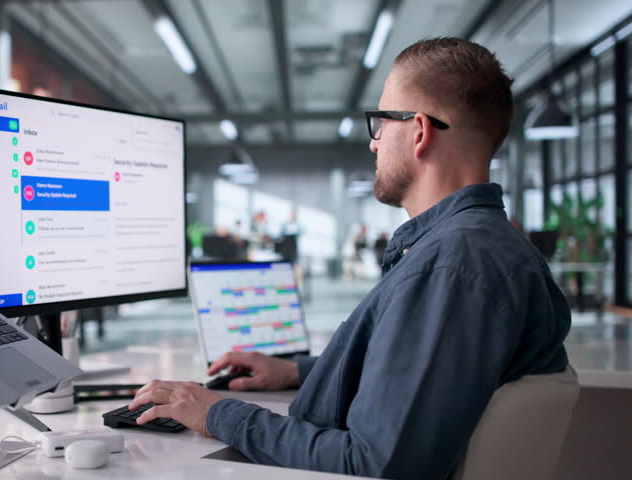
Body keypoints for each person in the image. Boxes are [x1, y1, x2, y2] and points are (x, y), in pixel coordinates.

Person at [126, 38, 570, 479]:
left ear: (419, 131)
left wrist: (219, 413)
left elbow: (374, 463)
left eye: (380, 123)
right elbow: (416, 375)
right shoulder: (475, 247)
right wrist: (292, 370)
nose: (374, 144)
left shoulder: (452, 267)